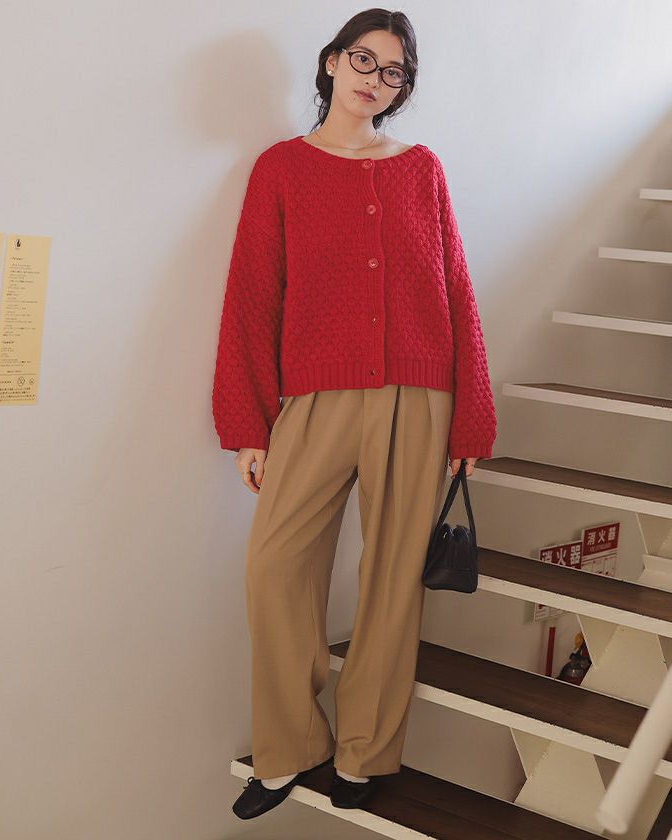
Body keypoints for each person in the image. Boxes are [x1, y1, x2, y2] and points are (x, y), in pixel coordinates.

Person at [212, 8, 497, 820]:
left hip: (420, 396)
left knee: (392, 580)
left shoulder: (421, 169)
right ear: (332, 62)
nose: (375, 79)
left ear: (402, 88)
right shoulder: (281, 169)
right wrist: (247, 423)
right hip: (315, 398)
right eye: (363, 60)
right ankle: (290, 745)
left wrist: (472, 417)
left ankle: (366, 750)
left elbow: (455, 288)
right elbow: (253, 295)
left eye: (393, 71)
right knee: (274, 567)